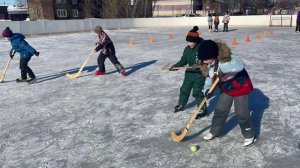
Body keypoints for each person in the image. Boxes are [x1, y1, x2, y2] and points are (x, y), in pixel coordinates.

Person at [197, 39, 256, 146]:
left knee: (241, 113)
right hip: (227, 89)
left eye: (206, 59)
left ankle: (249, 134)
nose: (204, 62)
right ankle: (214, 131)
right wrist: (206, 90)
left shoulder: (227, 56)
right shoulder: (207, 65)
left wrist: (222, 69)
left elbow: (240, 64)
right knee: (220, 110)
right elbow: (209, 79)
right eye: (203, 59)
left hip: (240, 87)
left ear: (213, 54)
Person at [169, 26, 207, 119]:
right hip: (189, 73)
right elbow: (184, 60)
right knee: (184, 89)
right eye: (188, 41)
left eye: (191, 41)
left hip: (200, 74)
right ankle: (181, 104)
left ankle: (202, 109)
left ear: (196, 41)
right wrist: (176, 66)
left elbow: (205, 59)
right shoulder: (187, 49)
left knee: (197, 92)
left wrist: (198, 64)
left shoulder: (202, 47)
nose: (189, 43)